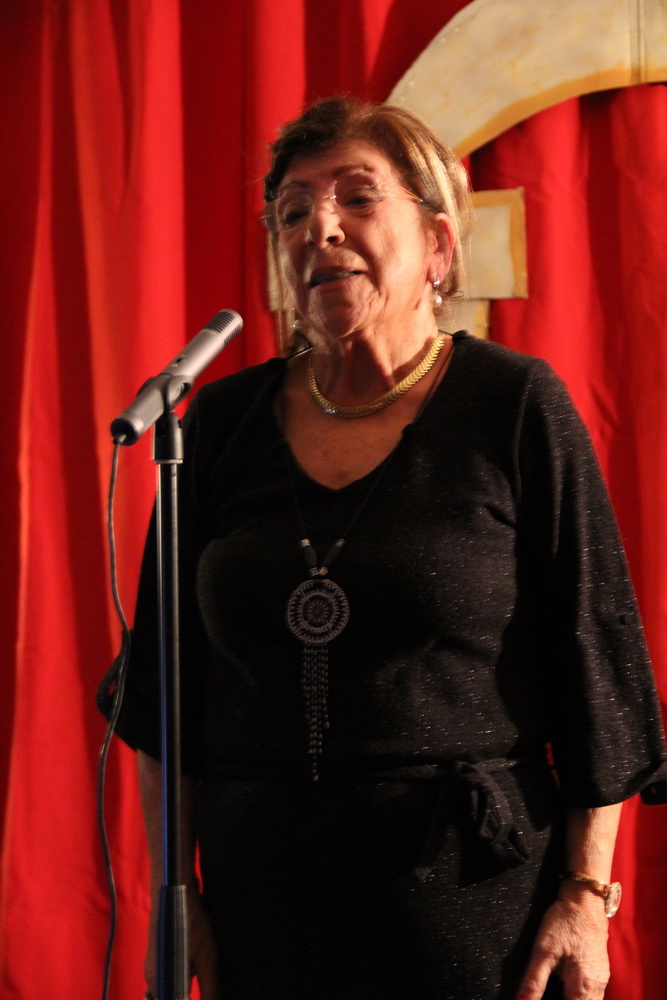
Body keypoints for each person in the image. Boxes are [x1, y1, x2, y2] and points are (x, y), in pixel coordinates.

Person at [100, 96, 667, 1000]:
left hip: (470, 907)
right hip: (261, 905)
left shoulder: (512, 403)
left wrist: (585, 895)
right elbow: (164, 692)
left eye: (356, 198)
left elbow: (595, 664)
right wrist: (178, 898)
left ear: (438, 245)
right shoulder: (217, 423)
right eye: (292, 212)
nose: (319, 228)